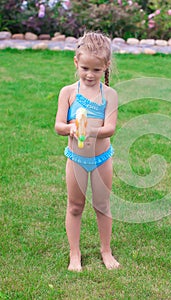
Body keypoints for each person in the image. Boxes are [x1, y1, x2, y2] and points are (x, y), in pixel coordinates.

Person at [55, 32, 119, 271]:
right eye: (85, 68)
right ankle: (75, 253)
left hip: (102, 159)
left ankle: (106, 250)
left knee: (102, 205)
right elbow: (58, 126)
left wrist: (89, 131)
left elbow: (110, 129)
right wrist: (72, 129)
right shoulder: (68, 92)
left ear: (106, 67)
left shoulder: (109, 95)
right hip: (77, 159)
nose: (90, 75)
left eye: (96, 70)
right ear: (76, 63)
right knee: (75, 205)